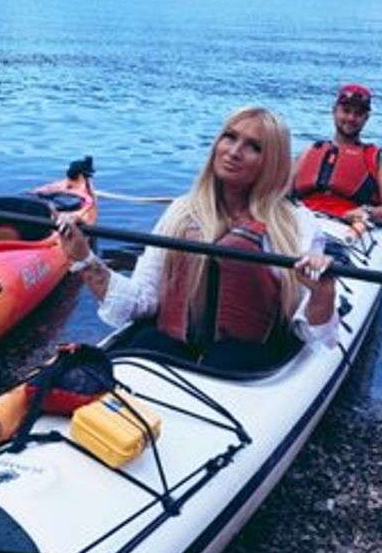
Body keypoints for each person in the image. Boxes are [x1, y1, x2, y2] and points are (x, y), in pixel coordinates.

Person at [58, 106, 337, 371]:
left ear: (272, 163)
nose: (234, 152)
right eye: (230, 137)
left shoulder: (296, 224)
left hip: (248, 366)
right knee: (148, 341)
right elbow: (140, 301)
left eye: (254, 147)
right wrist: (84, 259)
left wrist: (321, 292)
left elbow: (312, 333)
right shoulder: (182, 210)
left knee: (226, 358)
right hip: (172, 350)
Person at [292, 84, 382, 224]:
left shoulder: (378, 158)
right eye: (346, 111)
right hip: (304, 219)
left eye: (358, 114)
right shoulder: (309, 151)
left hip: (349, 228)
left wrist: (367, 212)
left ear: (366, 118)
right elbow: (280, 194)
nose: (351, 118)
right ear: (334, 111)